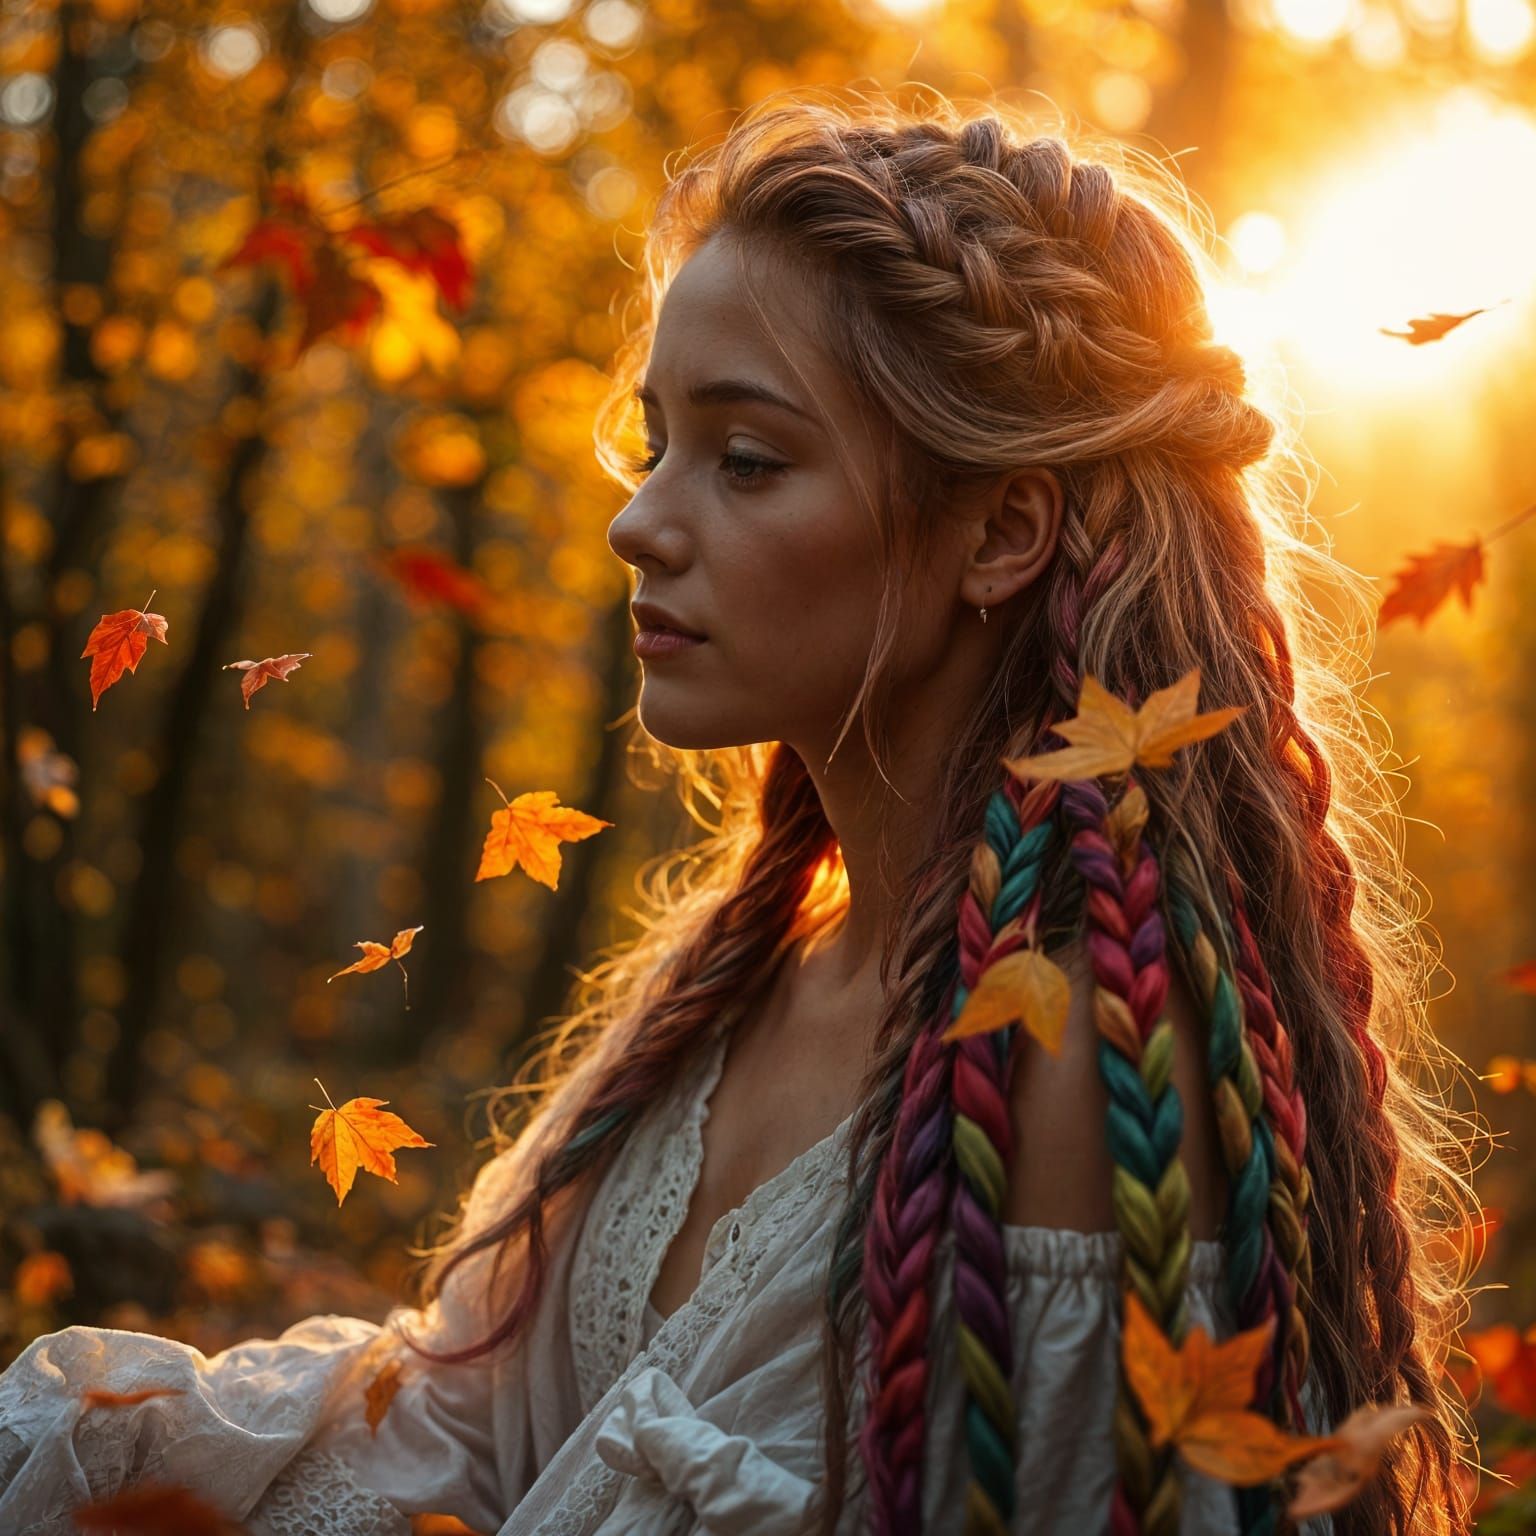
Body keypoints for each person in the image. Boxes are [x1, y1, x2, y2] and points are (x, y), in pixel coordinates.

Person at [0, 87, 1478, 1536]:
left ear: (1002, 530)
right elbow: (456, 1432)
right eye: (656, 444)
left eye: (748, 459)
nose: (637, 521)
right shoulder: (740, 982)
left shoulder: (1068, 1072)